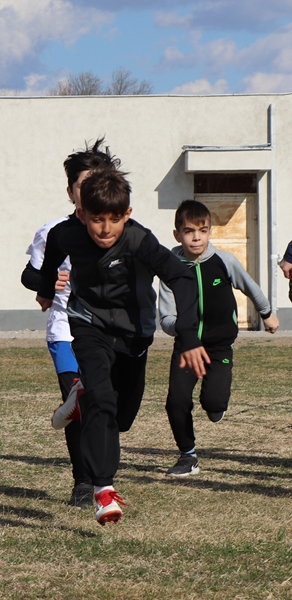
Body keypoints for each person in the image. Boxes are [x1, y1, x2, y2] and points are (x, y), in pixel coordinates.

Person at [38, 168, 208, 525]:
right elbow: (45, 262)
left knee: (123, 418)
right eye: (97, 219)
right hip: (88, 324)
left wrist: (189, 336)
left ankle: (80, 394)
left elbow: (180, 276)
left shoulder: (138, 240)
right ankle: (103, 489)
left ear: (127, 215)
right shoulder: (66, 234)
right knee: (103, 400)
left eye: (114, 219)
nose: (105, 229)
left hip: (134, 335)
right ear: (82, 214)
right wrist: (42, 286)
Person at [20, 138, 120, 508]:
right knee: (78, 400)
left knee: (105, 403)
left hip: (110, 331)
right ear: (70, 192)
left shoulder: (119, 228)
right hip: (65, 329)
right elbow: (29, 276)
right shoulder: (54, 232)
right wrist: (48, 282)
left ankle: (103, 472)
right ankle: (85, 480)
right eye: (83, 186)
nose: (92, 192)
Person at [159, 200, 279, 476]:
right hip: (187, 347)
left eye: (202, 230)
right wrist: (183, 329)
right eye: (189, 231)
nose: (196, 237)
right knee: (176, 401)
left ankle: (216, 406)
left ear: (210, 231)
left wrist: (267, 313)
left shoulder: (225, 261)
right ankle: (188, 456)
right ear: (177, 234)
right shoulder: (169, 268)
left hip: (219, 345)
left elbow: (251, 287)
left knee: (213, 404)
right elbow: (165, 317)